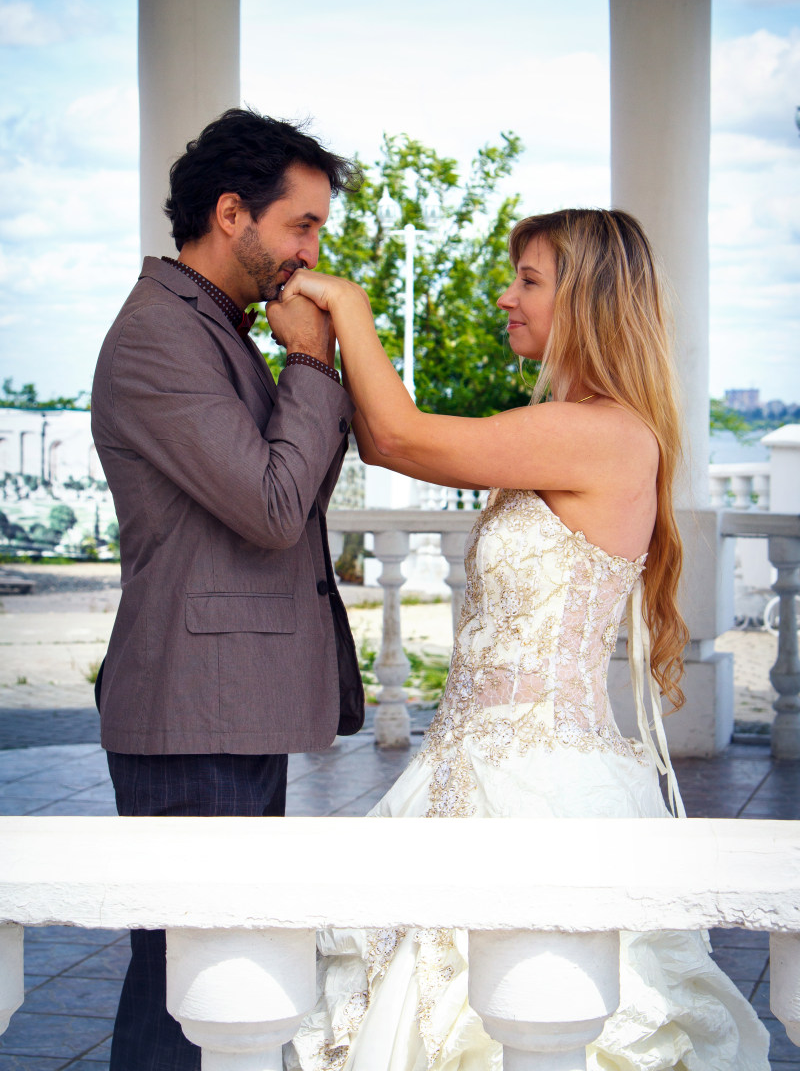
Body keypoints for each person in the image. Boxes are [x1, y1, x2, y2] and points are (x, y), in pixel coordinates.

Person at [271, 208, 770, 1070]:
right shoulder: (566, 425)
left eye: (528, 281)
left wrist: (348, 305)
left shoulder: (603, 433)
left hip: (540, 787)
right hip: (463, 773)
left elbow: (397, 437)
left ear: (589, 300)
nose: (505, 297)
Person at [91, 107, 365, 1070]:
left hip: (229, 704)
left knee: (210, 974)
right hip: (190, 709)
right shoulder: (162, 337)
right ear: (230, 213)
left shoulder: (216, 329)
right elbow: (275, 507)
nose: (313, 250)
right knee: (183, 981)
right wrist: (310, 362)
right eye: (303, 224)